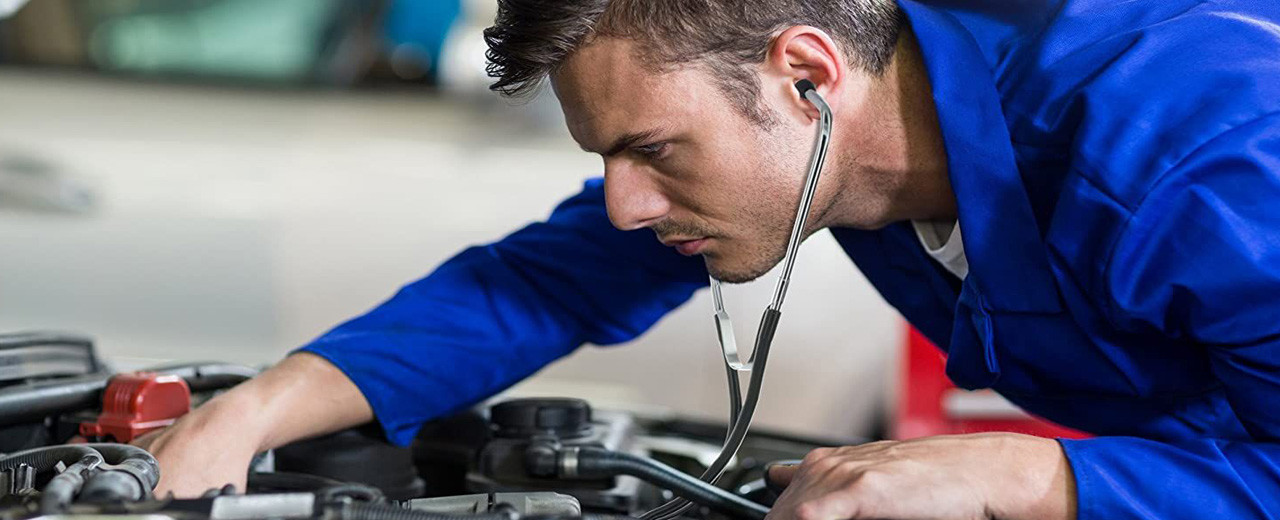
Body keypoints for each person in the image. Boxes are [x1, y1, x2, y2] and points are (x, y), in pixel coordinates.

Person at [138, 0, 1280, 518]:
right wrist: (245, 415)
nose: (624, 206)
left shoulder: (1201, 150)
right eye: (603, 159)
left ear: (805, 75)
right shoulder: (849, 141)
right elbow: (544, 278)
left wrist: (1030, 476)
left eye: (650, 151)